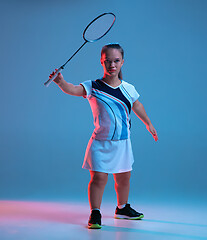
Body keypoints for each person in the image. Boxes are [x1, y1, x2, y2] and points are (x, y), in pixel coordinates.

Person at [50, 43, 158, 229]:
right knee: (99, 179)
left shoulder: (128, 88)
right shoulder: (93, 86)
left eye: (116, 61)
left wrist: (148, 123)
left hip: (123, 143)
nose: (112, 65)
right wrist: (61, 83)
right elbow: (73, 89)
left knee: (123, 178)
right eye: (107, 61)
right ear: (101, 62)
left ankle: (122, 208)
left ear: (122, 62)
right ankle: (95, 213)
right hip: (100, 143)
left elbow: (137, 105)